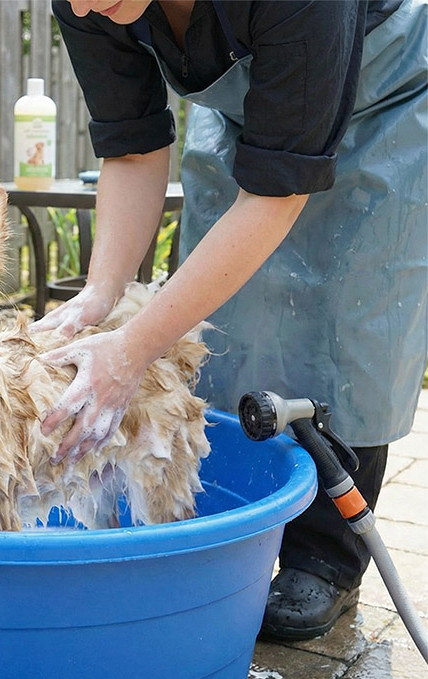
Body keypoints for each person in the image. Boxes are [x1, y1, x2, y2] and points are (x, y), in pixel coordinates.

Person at [32, 0, 428, 640]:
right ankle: (227, 510)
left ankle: (325, 556)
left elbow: (276, 192)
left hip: (387, 95)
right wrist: (101, 296)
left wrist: (131, 350)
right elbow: (133, 149)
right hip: (256, 106)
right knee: (218, 325)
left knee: (352, 318)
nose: (79, 4)